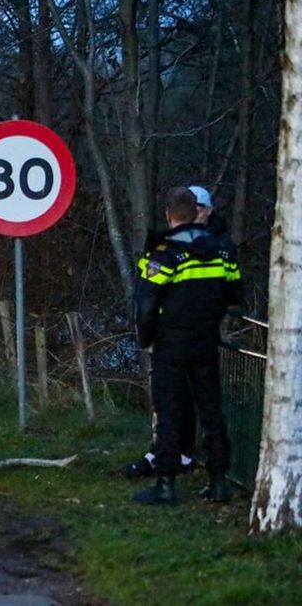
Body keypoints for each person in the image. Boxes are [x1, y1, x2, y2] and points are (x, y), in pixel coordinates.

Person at [132, 187, 242, 505]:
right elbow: (234, 294)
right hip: (206, 339)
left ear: (169, 214)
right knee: (211, 410)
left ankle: (165, 484)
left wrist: (146, 339)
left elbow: (145, 302)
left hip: (172, 341)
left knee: (168, 411)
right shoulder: (221, 249)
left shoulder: (165, 251)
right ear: (196, 212)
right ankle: (219, 481)